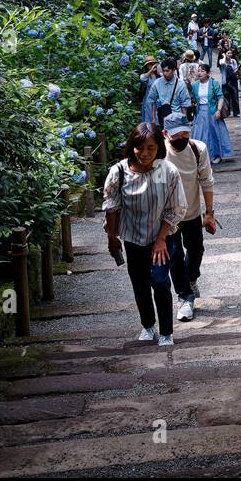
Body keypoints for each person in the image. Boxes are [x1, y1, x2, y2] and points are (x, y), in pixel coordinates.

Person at [103, 123, 187, 346]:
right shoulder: (119, 172)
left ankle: (167, 331)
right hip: (133, 239)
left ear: (159, 147)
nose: (145, 153)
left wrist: (161, 239)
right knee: (139, 284)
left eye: (151, 147)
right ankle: (148, 325)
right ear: (132, 147)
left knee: (159, 281)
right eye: (140, 148)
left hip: (162, 237)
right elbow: (112, 207)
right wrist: (112, 238)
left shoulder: (167, 171)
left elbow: (176, 208)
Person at [160, 112, 217, 322]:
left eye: (185, 134)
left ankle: (191, 278)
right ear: (166, 134)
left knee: (196, 250)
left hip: (192, 211)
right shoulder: (159, 151)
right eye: (176, 136)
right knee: (174, 254)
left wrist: (209, 214)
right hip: (168, 216)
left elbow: (206, 181)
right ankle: (185, 297)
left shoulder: (197, 149)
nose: (181, 139)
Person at [189, 62, 234, 163]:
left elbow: (220, 97)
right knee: (200, 134)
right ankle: (201, 156)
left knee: (214, 134)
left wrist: (218, 110)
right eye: (199, 71)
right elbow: (193, 98)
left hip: (212, 111)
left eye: (202, 71)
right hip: (200, 112)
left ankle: (216, 155)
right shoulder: (195, 85)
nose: (200, 73)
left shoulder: (214, 83)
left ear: (208, 73)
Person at [148, 58, 191, 124]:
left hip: (176, 119)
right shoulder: (157, 83)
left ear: (173, 70)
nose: (165, 73)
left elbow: (184, 104)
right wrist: (153, 118)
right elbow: (152, 101)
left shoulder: (181, 84)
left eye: (167, 71)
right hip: (161, 118)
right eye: (163, 71)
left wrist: (185, 120)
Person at [218, 49, 241, 119]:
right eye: (228, 53)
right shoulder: (222, 60)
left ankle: (236, 112)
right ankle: (227, 112)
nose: (230, 55)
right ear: (225, 54)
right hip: (225, 81)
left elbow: (235, 70)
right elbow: (222, 63)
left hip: (233, 81)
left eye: (231, 53)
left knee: (235, 97)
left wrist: (238, 70)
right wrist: (224, 56)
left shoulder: (233, 61)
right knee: (226, 97)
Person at [139, 56, 160, 126]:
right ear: (146, 66)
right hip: (149, 101)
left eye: (153, 64)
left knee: (157, 118)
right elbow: (143, 79)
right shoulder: (145, 76)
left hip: (158, 100)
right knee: (148, 119)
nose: (152, 65)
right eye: (150, 64)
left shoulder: (158, 76)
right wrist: (151, 71)